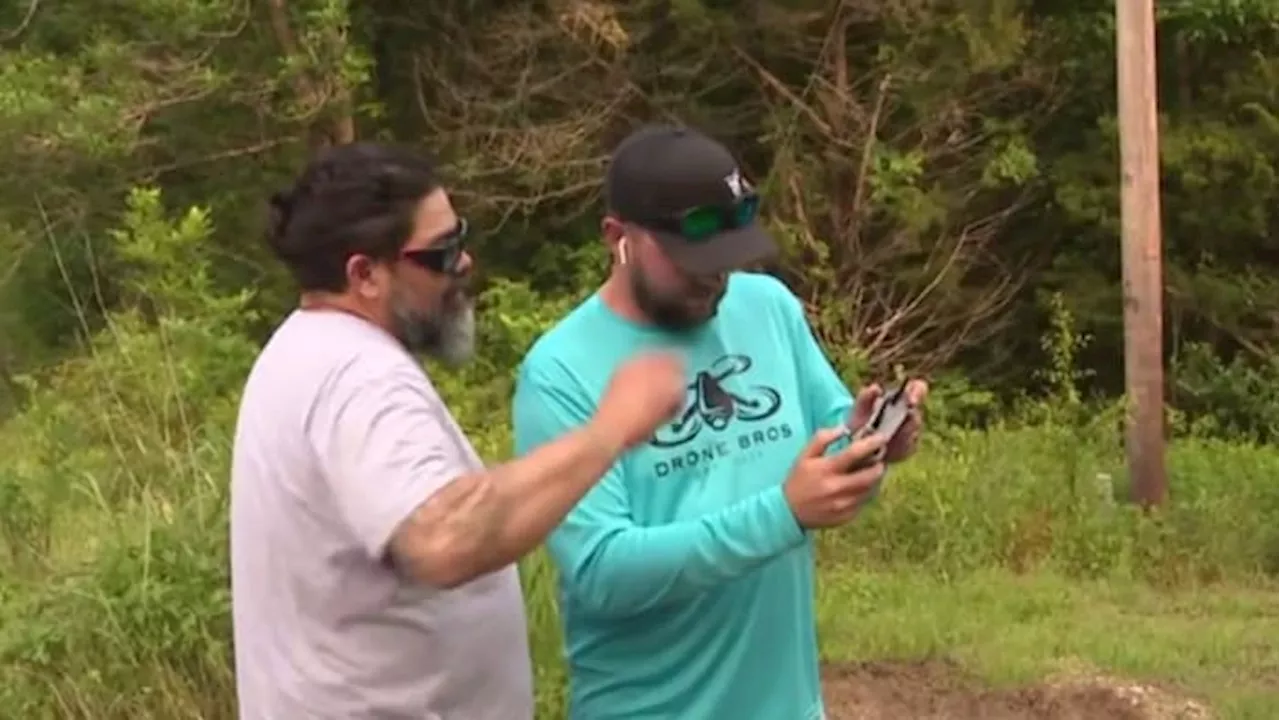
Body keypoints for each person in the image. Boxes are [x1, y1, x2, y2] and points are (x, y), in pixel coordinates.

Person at [227, 142, 686, 720]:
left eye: (459, 238)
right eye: (441, 253)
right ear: (364, 274)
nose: (464, 263)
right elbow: (444, 539)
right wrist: (611, 429)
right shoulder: (359, 379)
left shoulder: (307, 349)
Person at [511, 125, 929, 720]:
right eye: (692, 259)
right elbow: (601, 570)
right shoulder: (561, 372)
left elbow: (824, 459)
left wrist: (867, 443)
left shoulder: (768, 308)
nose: (716, 277)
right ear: (617, 237)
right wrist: (783, 514)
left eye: (730, 257)